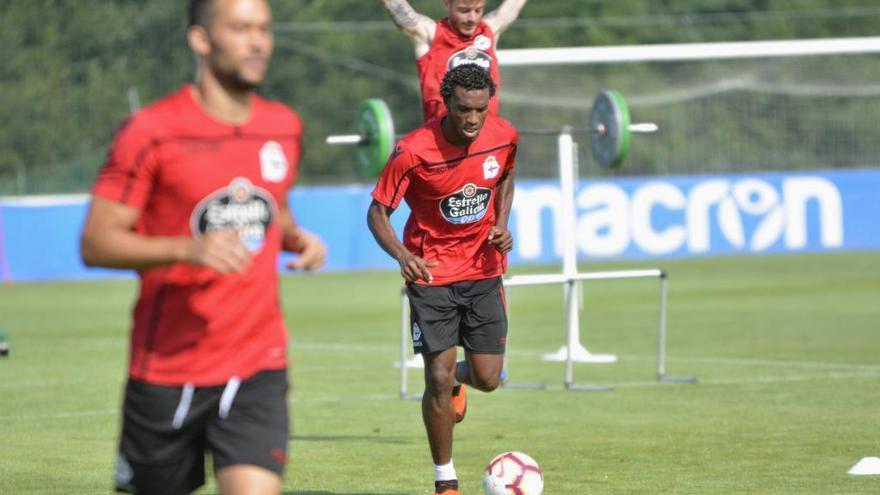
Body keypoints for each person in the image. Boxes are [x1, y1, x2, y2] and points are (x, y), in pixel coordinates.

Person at [79, 0, 326, 493]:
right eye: (240, 29)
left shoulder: (283, 125)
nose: (258, 42)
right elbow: (96, 242)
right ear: (200, 39)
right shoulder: (151, 132)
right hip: (168, 367)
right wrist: (186, 249)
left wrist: (295, 237)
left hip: (258, 361)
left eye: (264, 29)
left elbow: (272, 205)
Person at [367, 64, 517, 495]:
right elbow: (377, 211)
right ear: (446, 105)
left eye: (480, 110)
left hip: (484, 270)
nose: (472, 119)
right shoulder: (413, 151)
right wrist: (402, 254)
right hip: (431, 275)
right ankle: (445, 480)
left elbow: (506, 174)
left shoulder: (504, 134)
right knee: (436, 374)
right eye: (464, 109)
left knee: (488, 378)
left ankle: (457, 380)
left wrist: (502, 224)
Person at [378, 0, 528, 120]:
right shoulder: (431, 35)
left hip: (486, 142)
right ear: (447, 4)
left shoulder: (489, 31)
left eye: (478, 10)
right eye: (464, 11)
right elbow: (396, 6)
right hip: (443, 143)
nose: (472, 18)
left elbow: (513, 6)